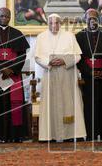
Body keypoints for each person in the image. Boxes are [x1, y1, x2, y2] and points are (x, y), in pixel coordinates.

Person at [35, 14, 86, 142]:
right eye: (51, 23)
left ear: (61, 23)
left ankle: (72, 134)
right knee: (50, 104)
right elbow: (37, 57)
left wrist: (64, 61)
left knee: (70, 103)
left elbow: (78, 56)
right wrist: (49, 62)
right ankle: (49, 135)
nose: (54, 26)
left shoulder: (70, 36)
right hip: (50, 73)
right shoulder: (41, 37)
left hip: (67, 74)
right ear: (47, 24)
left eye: (56, 23)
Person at [0, 7, 30, 142]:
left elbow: (22, 55)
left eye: (7, 16)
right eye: (2, 16)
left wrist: (11, 69)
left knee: (14, 105)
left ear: (10, 18)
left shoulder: (17, 34)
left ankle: (15, 135)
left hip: (12, 74)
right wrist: (1, 69)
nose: (4, 18)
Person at [77, 8, 102, 141]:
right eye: (89, 18)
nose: (92, 21)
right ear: (85, 20)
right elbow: (79, 58)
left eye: (95, 18)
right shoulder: (79, 36)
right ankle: (90, 133)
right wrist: (89, 71)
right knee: (89, 105)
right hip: (88, 76)